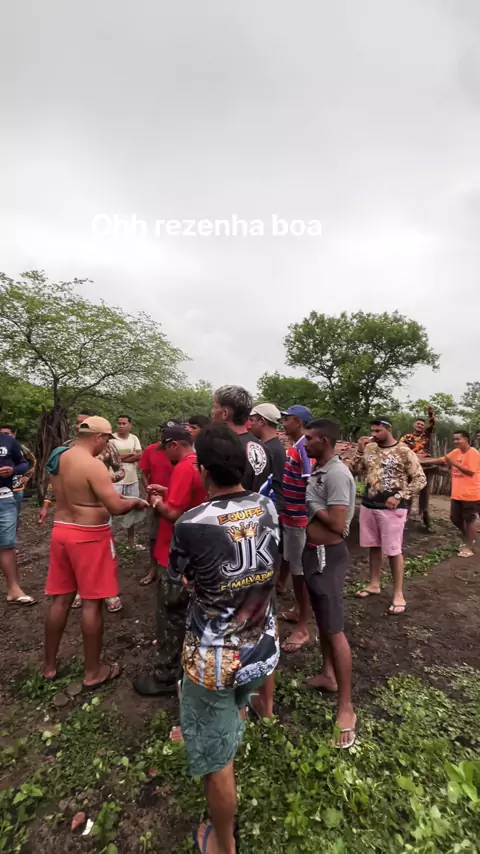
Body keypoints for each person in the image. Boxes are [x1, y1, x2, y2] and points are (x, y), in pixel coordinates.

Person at [172, 424, 279, 853]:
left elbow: (180, 577)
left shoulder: (191, 522)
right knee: (236, 703)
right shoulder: (267, 506)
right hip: (262, 647)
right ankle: (239, 718)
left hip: (214, 661)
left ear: (203, 470)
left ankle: (223, 843)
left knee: (218, 763)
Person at [42, 416, 148, 686]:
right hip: (89, 537)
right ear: (98, 437)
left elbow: (89, 495)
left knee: (60, 600)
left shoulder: (59, 458)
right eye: (106, 440)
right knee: (92, 602)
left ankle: (49, 666)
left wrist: (123, 498)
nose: (106, 446)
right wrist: (136, 502)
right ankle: (93, 672)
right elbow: (115, 507)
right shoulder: (93, 465)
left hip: (61, 531)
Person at [133, 425, 207, 697]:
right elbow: (192, 499)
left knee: (170, 613)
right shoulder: (200, 465)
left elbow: (174, 513)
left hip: (174, 553)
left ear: (175, 444)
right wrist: (167, 490)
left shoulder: (184, 468)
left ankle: (166, 675)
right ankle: (190, 661)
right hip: (196, 550)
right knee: (189, 612)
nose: (164, 453)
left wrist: (156, 501)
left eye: (165, 448)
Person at [39, 409, 126, 613]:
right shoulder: (64, 450)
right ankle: (80, 591)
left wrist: (107, 480)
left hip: (93, 511)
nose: (79, 425)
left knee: (93, 568)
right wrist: (46, 503)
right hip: (78, 522)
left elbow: (120, 470)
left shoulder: (108, 447)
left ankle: (107, 594)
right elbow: (54, 480)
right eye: (78, 422)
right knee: (88, 600)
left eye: (83, 422)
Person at [303, 419, 357, 748]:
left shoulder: (336, 474)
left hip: (328, 557)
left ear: (324, 441)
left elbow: (338, 524)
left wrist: (311, 503)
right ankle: (328, 675)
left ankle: (346, 707)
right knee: (323, 621)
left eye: (309, 438)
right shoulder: (319, 469)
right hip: (314, 553)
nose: (304, 443)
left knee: (334, 629)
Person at [349, 417, 426, 615]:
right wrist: (359, 451)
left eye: (378, 431)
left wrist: (400, 496)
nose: (373, 434)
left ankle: (398, 593)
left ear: (389, 429)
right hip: (369, 504)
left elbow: (420, 479)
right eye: (372, 431)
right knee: (373, 546)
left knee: (393, 550)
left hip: (393, 508)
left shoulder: (404, 451)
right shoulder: (370, 448)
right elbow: (354, 471)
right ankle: (374, 584)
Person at [277, 404, 313, 653]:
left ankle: (303, 627)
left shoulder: (304, 448)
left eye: (287, 419)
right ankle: (298, 609)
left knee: (300, 574)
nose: (284, 423)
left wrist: (305, 514)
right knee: (294, 568)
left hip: (299, 520)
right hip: (290, 517)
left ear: (298, 422)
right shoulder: (295, 446)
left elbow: (311, 485)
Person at [428, 431, 480, 558]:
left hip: (471, 493)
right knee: (455, 518)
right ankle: (469, 536)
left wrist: (454, 464)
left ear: (466, 439)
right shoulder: (456, 452)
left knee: (470, 519)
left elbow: (470, 472)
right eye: (454, 439)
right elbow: (440, 460)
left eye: (458, 439)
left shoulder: (473, 453)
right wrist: (420, 460)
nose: (455, 441)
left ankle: (469, 547)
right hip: (457, 493)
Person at [212, 386, 272, 492]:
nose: (212, 412)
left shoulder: (222, 448)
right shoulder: (263, 447)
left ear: (225, 413)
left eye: (215, 407)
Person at [0, 429, 35, 605]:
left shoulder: (7, 441)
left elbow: (24, 464)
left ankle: (14, 589)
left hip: (4, 498)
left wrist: (12, 470)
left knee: (7, 545)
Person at [138, 428, 173, 586]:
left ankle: (172, 570)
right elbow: (144, 473)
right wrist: (149, 489)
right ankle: (153, 569)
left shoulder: (179, 452)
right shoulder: (151, 450)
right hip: (154, 500)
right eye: (164, 431)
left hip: (174, 500)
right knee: (153, 536)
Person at [400, 406, 436, 530]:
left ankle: (423, 515)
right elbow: (401, 449)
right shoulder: (406, 437)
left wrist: (430, 414)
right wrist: (415, 455)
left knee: (424, 490)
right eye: (418, 423)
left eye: (422, 424)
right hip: (410, 466)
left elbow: (432, 424)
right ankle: (406, 513)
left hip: (425, 466)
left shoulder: (426, 435)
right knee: (409, 489)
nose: (420, 425)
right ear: (414, 425)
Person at [111, 415, 143, 550]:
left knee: (132, 510)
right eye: (119, 423)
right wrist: (131, 454)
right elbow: (112, 458)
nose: (121, 426)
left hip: (132, 479)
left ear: (130, 425)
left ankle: (131, 542)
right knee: (110, 510)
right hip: (115, 480)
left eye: (124, 423)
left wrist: (120, 458)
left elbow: (140, 455)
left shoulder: (134, 438)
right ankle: (109, 543)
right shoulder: (111, 439)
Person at [0, 426, 36, 537]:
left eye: (7, 433)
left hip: (17, 486)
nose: (4, 436)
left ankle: (12, 537)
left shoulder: (20, 447)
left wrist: (27, 477)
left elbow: (32, 461)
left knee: (14, 515)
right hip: (5, 488)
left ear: (13, 434)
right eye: (2, 433)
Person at [249, 403, 286, 511]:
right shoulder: (273, 446)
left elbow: (275, 486)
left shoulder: (270, 450)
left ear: (262, 421)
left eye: (252, 420)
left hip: (269, 507)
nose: (250, 425)